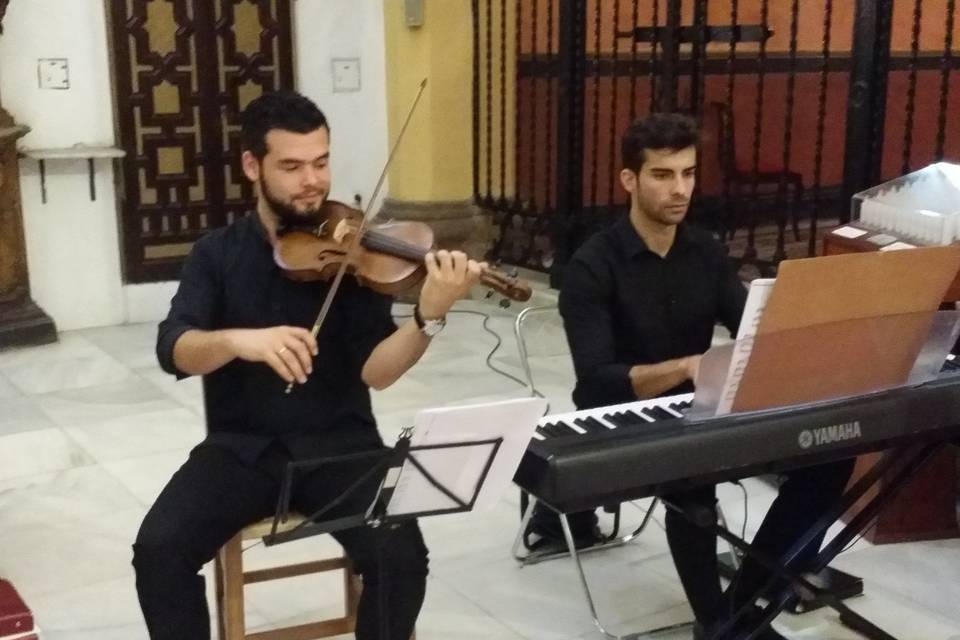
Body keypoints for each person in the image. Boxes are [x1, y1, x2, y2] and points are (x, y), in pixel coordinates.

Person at [132, 90, 485, 640]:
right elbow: (173, 348)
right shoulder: (216, 254)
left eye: (321, 163)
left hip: (343, 444)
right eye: (292, 166)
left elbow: (378, 371)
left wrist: (427, 318)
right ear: (253, 166)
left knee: (401, 553)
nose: (312, 181)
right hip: (242, 449)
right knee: (158, 550)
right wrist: (236, 341)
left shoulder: (356, 252)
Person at [556, 112, 854, 639]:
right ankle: (719, 626)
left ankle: (742, 608)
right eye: (663, 175)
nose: (680, 189)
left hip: (702, 404)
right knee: (692, 487)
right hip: (627, 417)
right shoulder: (592, 265)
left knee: (829, 459)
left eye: (689, 174)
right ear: (629, 179)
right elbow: (595, 386)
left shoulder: (705, 252)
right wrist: (687, 366)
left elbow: (751, 328)